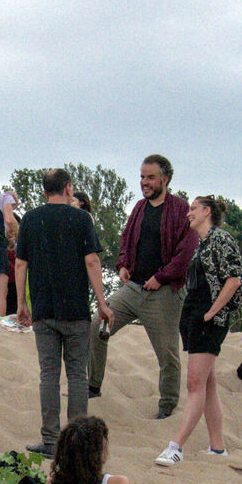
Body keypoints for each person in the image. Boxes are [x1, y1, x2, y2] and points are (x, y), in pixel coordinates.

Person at [90, 155, 197, 419]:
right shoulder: (139, 208)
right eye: (142, 177)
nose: (144, 182)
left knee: (168, 353)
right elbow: (127, 238)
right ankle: (92, 385)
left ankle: (167, 405)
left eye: (150, 177)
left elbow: (186, 253)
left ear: (165, 179)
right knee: (98, 325)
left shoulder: (181, 209)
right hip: (133, 289)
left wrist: (161, 277)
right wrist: (123, 264)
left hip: (165, 293)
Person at [16, 168, 111, 457]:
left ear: (44, 191)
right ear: (68, 188)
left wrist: (21, 303)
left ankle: (50, 440)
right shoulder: (82, 219)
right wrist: (102, 302)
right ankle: (78, 442)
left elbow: (21, 264)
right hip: (76, 311)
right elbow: (92, 261)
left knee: (49, 375)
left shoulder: (31, 219)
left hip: (44, 310)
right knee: (77, 376)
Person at [156, 195, 241, 466]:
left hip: (208, 321)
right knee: (208, 384)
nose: (188, 214)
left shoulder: (221, 239)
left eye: (193, 209)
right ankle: (218, 448)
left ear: (207, 211)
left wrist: (212, 312)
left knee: (194, 384)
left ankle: (176, 446)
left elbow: (234, 279)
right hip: (194, 317)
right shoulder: (202, 244)